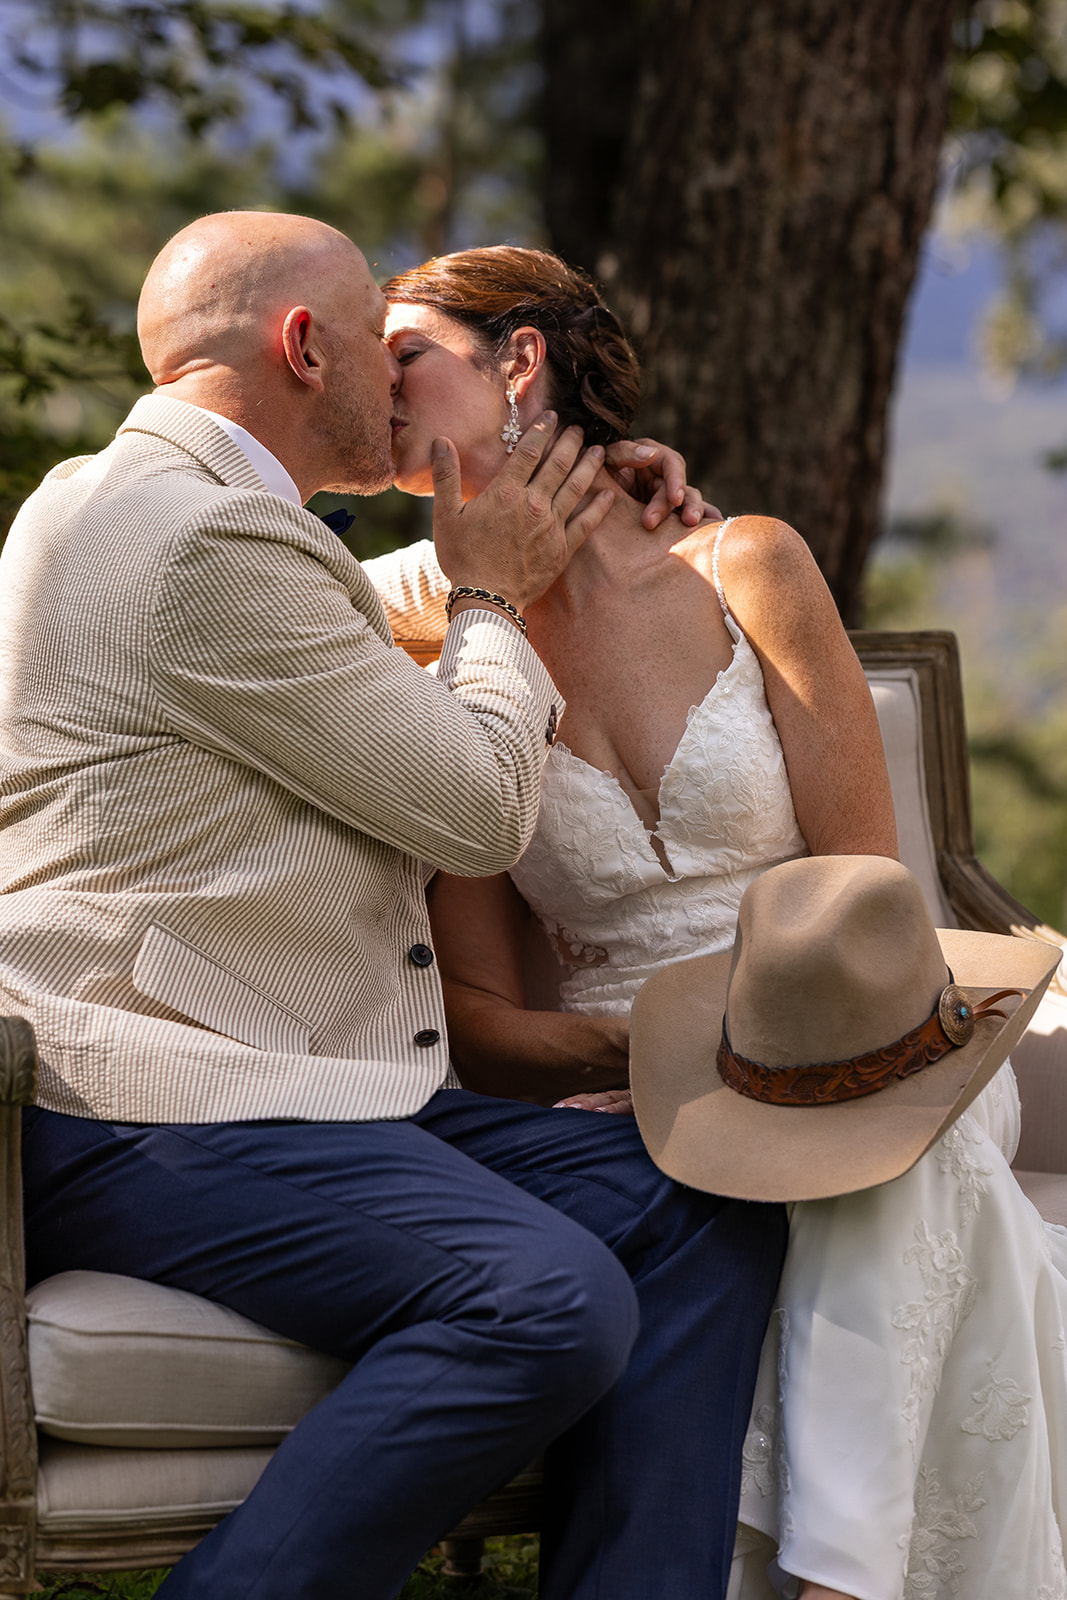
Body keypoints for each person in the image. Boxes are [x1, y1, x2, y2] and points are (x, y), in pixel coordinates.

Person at [0, 210, 788, 1600]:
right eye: (381, 335)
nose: (396, 372)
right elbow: (480, 807)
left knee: (701, 1205)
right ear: (306, 347)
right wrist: (492, 587)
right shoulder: (205, 543)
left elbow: (355, 627)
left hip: (303, 1083)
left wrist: (590, 500)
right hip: (157, 1108)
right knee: (544, 1297)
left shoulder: (148, 509)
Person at [379, 245, 1067, 1600]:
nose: (368, 381)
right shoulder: (434, 660)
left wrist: (780, 1046)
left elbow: (874, 906)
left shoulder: (744, 561)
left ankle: (828, 1582)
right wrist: (641, 1059)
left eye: (403, 351)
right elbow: (489, 1029)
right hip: (631, 1082)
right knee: (769, 1177)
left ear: (515, 361)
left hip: (860, 1025)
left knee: (880, 1144)